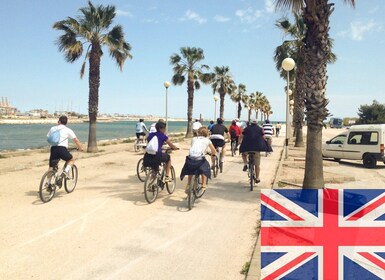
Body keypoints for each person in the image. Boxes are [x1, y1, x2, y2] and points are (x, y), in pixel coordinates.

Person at [180, 127, 216, 192]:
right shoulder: (207, 140)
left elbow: (194, 147)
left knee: (190, 170)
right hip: (199, 159)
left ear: (198, 133)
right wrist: (213, 154)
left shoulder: (194, 139)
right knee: (204, 168)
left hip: (190, 159)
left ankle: (188, 184)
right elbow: (214, 151)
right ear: (206, 133)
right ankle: (204, 185)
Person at [239, 119, 266, 184]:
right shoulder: (260, 129)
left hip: (247, 148)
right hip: (256, 148)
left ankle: (245, 163)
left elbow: (241, 136)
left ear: (250, 123)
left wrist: (240, 141)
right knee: (257, 165)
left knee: (243, 154)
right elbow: (263, 137)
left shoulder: (246, 129)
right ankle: (257, 178)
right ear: (257, 123)